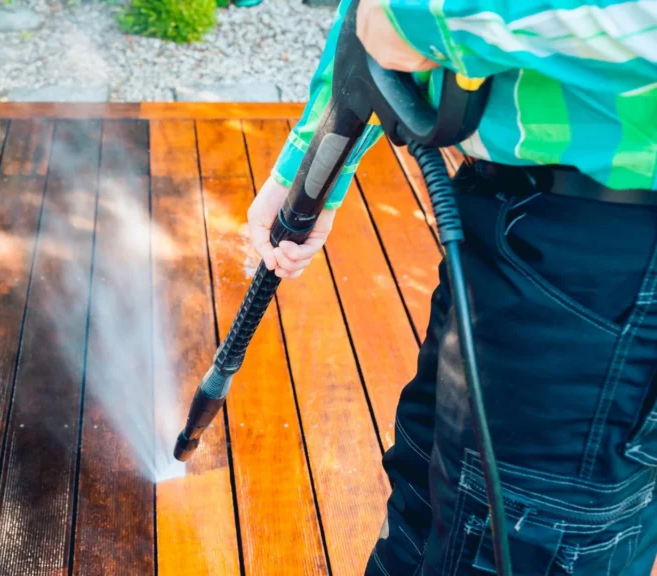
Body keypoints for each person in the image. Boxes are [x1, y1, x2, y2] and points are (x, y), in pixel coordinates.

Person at [247, 0, 657, 572]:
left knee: (517, 531)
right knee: (430, 491)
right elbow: (370, 23)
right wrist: (308, 170)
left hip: (613, 260)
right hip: (507, 216)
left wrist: (428, 17)